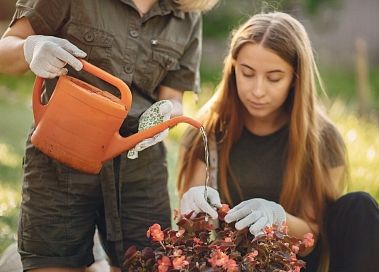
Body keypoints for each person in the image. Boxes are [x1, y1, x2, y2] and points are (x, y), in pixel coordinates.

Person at [0, 0, 219, 271]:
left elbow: (172, 97)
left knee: (146, 263)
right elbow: (5, 50)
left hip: (140, 168)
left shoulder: (186, 13)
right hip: (60, 159)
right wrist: (29, 48)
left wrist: (166, 114)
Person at [177, 12, 379, 272]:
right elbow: (192, 237)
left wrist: (278, 218)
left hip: (299, 264)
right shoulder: (206, 132)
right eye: (247, 73)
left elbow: (311, 238)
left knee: (359, 205)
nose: (258, 90)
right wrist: (192, 206)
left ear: (296, 79)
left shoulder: (322, 138)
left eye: (274, 78)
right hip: (233, 265)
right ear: (232, 69)